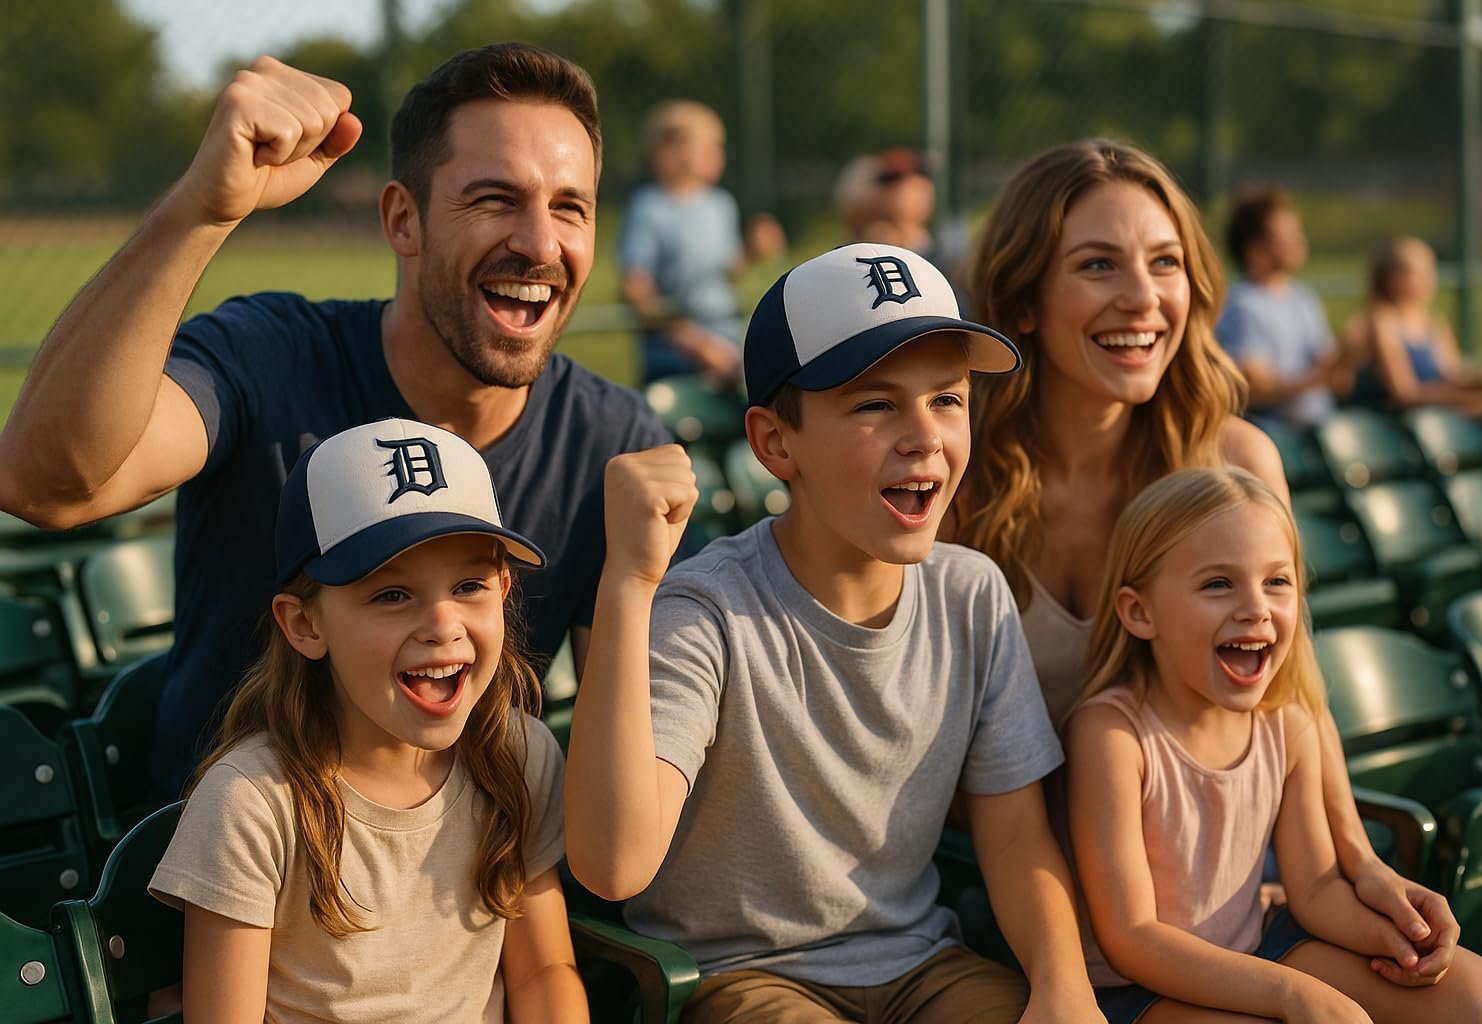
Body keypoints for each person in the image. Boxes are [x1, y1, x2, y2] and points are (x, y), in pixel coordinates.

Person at [0, 44, 673, 800]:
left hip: (458, 889)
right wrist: (200, 209)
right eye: (494, 200)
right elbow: (47, 482)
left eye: (570, 208)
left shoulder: (614, 446)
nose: (541, 242)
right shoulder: (270, 357)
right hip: (218, 887)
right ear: (402, 219)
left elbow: (629, 797)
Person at [953, 138, 1462, 989]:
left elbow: (1297, 692)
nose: (1144, 298)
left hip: (1223, 895)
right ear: (1026, 299)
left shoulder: (1237, 463)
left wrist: (1357, 861)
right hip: (1034, 917)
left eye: (1165, 263)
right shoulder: (959, 485)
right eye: (1097, 265)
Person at [564, 243, 1106, 1023]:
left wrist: (1065, 992)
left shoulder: (971, 592)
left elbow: (1017, 841)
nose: (924, 436)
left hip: (924, 966)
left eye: (948, 400)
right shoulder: (706, 612)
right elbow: (615, 865)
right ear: (775, 443)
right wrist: (628, 583)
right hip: (742, 977)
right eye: (875, 405)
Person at [149, 418, 586, 1022]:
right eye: (391, 595)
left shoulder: (518, 753)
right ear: (305, 624)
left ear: (505, 590)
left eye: (468, 586)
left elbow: (544, 971)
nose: (441, 624)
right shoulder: (251, 802)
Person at [1067, 466, 1482, 1023]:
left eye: (1277, 582)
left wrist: (1407, 939)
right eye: (1218, 584)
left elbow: (1313, 887)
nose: (1256, 607)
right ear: (1140, 612)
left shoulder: (1285, 719)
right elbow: (1132, 938)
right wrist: (1291, 993)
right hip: (1143, 984)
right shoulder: (1112, 734)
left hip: (1264, 941)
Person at [619, 99, 784, 385]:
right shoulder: (648, 208)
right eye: (708, 146)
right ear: (668, 151)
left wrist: (751, 251)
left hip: (727, 346)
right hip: (675, 359)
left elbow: (725, 276)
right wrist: (697, 345)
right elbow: (637, 290)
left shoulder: (721, 204)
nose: (719, 155)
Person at [1214, 187, 1342, 428]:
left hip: (1320, 427)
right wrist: (1318, 378)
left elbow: (1332, 369)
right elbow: (1257, 390)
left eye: (1297, 232)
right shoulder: (1244, 305)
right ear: (1254, 248)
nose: (1298, 240)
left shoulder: (1304, 299)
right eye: (1287, 235)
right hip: (1275, 431)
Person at [1346, 235, 1482, 416]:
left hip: (1430, 418)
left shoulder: (1435, 324)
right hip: (1392, 425)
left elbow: (1450, 375)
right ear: (1391, 277)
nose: (1427, 279)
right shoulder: (1381, 323)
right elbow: (1404, 394)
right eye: (1416, 272)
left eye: (1430, 270)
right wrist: (1467, 397)